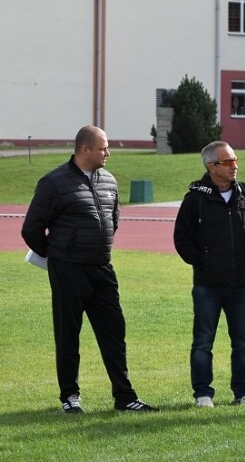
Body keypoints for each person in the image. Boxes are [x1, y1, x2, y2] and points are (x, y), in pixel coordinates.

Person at [21, 126, 157, 413]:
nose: (108, 153)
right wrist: (58, 255)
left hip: (102, 268)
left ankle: (125, 397)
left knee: (114, 331)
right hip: (68, 270)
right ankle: (70, 397)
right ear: (84, 149)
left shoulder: (108, 180)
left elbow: (113, 219)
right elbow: (31, 229)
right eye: (103, 148)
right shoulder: (53, 183)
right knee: (68, 334)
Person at [173, 141, 245, 407]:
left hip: (242, 284)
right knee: (203, 342)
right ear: (211, 167)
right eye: (227, 162)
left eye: (235, 160)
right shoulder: (195, 199)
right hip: (208, 285)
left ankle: (244, 392)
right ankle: (203, 393)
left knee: (243, 342)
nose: (234, 166)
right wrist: (202, 263)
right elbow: (182, 239)